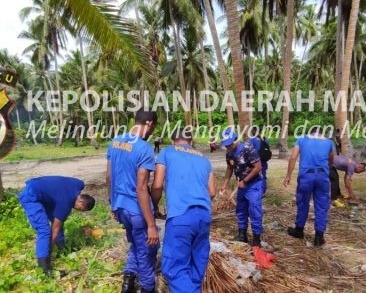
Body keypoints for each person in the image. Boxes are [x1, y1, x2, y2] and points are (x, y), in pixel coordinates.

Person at [152, 126, 216, 293]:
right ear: (191, 141)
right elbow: (212, 192)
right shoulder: (204, 159)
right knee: (197, 265)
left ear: (173, 141)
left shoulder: (167, 152)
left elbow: (157, 185)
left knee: (174, 268)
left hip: (181, 216)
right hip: (203, 216)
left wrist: (154, 206)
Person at [106, 109, 159, 293]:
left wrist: (112, 203)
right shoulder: (144, 148)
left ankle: (127, 283)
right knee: (147, 252)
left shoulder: (115, 141)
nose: (152, 132)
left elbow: (109, 176)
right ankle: (147, 288)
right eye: (154, 127)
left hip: (120, 207)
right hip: (137, 210)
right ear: (150, 123)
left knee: (136, 245)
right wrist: (151, 224)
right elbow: (141, 187)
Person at [18, 176, 95, 275]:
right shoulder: (65, 204)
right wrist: (49, 250)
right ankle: (44, 267)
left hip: (43, 193)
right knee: (44, 229)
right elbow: (55, 229)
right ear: (80, 201)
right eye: (80, 209)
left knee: (58, 219)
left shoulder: (79, 184)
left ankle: (62, 248)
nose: (78, 210)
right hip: (30, 196)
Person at [284, 127, 335, 247]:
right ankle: (319, 237)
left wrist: (288, 175)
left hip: (306, 176)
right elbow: (332, 159)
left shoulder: (301, 140)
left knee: (302, 203)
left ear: (310, 133)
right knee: (322, 206)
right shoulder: (328, 142)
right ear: (321, 134)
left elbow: (293, 157)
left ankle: (299, 230)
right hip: (322, 176)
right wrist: (328, 168)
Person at [219, 127, 264, 247]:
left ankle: (256, 238)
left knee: (254, 210)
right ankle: (242, 235)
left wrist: (245, 180)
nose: (228, 147)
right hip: (242, 185)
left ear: (235, 140)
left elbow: (258, 167)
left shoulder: (248, 149)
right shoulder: (229, 153)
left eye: (230, 144)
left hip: (254, 184)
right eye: (226, 145)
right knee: (241, 209)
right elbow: (230, 168)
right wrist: (225, 184)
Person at [248, 126, 271, 195]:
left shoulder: (252, 139)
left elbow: (249, 150)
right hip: (264, 160)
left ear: (253, 132)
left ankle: (258, 191)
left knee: (256, 176)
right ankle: (263, 190)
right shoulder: (265, 139)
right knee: (263, 175)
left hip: (256, 161)